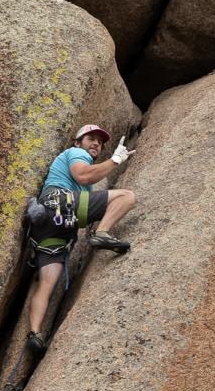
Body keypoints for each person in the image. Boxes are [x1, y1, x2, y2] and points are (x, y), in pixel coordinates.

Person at [25, 124, 135, 354]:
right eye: (90, 139)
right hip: (60, 204)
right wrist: (115, 161)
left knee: (47, 283)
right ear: (78, 142)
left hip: (50, 225)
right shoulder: (76, 153)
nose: (95, 143)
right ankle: (102, 233)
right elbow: (83, 175)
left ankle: (34, 334)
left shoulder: (78, 157)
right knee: (126, 196)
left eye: (99, 142)